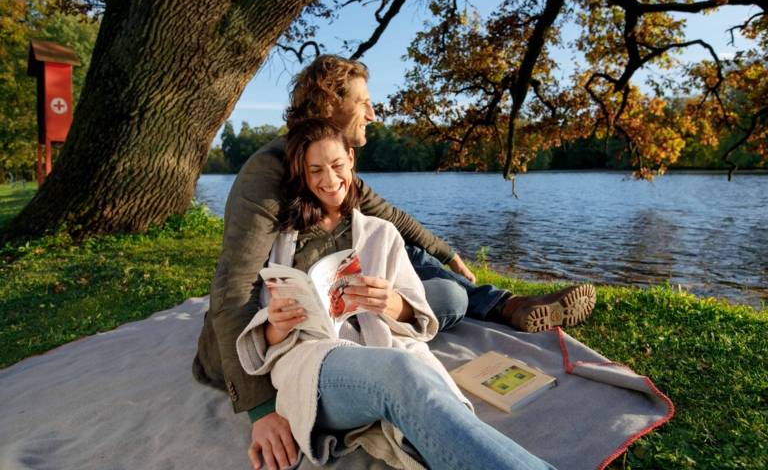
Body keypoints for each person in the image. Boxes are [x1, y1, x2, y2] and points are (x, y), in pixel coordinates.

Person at [193, 54, 594, 469]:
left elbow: (392, 218)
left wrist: (446, 255)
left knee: (447, 293)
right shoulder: (271, 172)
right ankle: (502, 307)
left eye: (336, 168)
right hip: (297, 335)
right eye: (363, 101)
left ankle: (504, 304)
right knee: (405, 366)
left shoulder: (340, 167)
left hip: (357, 320)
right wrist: (261, 408)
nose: (372, 112)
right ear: (331, 102)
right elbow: (234, 288)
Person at [234, 118, 557, 469]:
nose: (329, 180)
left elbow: (416, 313)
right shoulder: (282, 241)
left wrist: (392, 304)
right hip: (315, 363)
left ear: (351, 161)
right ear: (303, 174)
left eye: (337, 166)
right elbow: (264, 333)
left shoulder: (381, 233)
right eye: (316, 171)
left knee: (418, 380)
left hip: (381, 347)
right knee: (402, 373)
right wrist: (278, 326)